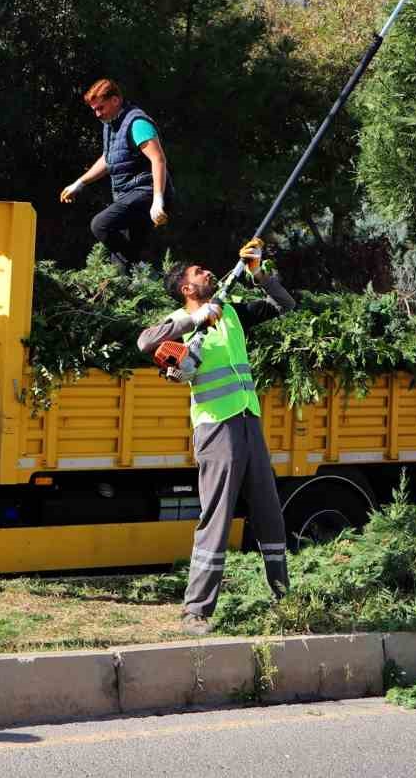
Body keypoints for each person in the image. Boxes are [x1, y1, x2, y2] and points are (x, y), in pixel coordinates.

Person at [137, 239, 294, 635]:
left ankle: (284, 598)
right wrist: (197, 319)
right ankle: (196, 612)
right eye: (198, 273)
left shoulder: (233, 314)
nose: (208, 273)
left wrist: (258, 273)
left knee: (269, 513)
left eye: (208, 271)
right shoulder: (179, 322)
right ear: (188, 290)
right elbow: (145, 342)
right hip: (216, 428)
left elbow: (285, 306)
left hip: (248, 421)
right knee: (217, 517)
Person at [60, 79, 173, 271]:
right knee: (121, 265)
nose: (97, 114)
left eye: (100, 108)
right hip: (127, 195)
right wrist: (80, 183)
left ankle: (139, 268)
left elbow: (158, 159)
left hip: (146, 193)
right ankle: (139, 273)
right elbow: (109, 158)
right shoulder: (111, 124)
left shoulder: (137, 123)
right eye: (94, 109)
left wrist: (157, 200)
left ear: (115, 100)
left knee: (100, 225)